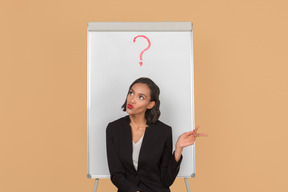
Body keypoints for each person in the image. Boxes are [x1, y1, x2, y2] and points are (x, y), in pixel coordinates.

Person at [106, 77, 207, 192]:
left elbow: (166, 180)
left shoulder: (163, 131)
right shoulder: (114, 129)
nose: (132, 100)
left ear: (150, 104)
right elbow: (116, 173)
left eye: (141, 97)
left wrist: (178, 148)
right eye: (131, 93)